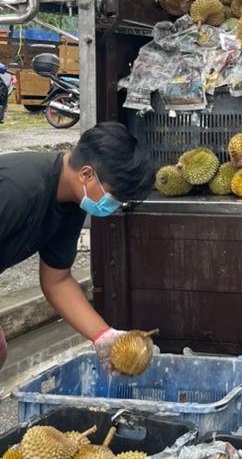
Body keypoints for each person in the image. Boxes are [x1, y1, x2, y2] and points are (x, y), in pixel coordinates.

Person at [0, 122, 155, 371]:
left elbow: (57, 280)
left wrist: (105, 337)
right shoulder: (19, 191)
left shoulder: (70, 203)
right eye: (114, 197)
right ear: (86, 175)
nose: (114, 206)